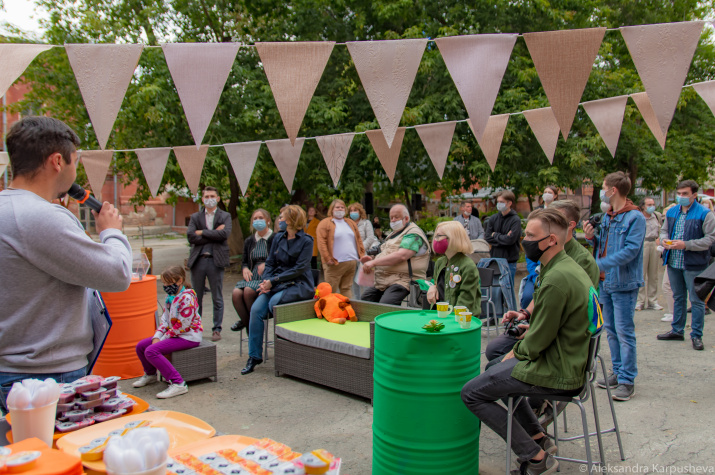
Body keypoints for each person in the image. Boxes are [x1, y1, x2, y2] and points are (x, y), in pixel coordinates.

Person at [0, 116, 132, 414]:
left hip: (14, 368)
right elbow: (118, 273)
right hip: (48, 374)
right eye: (76, 160)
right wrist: (111, 231)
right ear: (58, 161)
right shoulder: (41, 217)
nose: (77, 170)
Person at [461, 208, 592, 474]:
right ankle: (537, 436)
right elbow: (553, 324)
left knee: (471, 393)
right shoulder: (563, 267)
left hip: (559, 368)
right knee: (494, 366)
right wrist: (527, 328)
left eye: (531, 236)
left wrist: (517, 352)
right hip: (567, 357)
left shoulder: (557, 278)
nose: (525, 241)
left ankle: (535, 458)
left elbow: (537, 342)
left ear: (551, 240)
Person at [486, 200, 599, 369]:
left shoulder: (581, 261)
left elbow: (579, 312)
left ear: (570, 225)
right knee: (494, 350)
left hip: (560, 339)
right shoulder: (548, 253)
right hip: (541, 326)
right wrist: (525, 313)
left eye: (555, 217)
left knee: (494, 369)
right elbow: (541, 292)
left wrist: (535, 331)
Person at [584, 171, 645, 401]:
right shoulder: (608, 216)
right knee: (610, 330)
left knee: (624, 331)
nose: (602, 191)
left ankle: (627, 380)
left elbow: (630, 250)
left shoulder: (634, 218)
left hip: (623, 282)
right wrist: (591, 238)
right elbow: (605, 245)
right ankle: (617, 372)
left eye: (603, 187)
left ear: (613, 190)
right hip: (605, 282)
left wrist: (600, 264)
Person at [242, 205, 314, 375]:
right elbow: (270, 263)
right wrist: (266, 281)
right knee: (256, 310)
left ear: (291, 220)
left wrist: (272, 281)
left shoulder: (307, 241)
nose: (279, 220)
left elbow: (299, 269)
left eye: (282, 217)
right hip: (275, 283)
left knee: (273, 303)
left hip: (297, 284)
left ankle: (285, 355)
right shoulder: (278, 237)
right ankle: (254, 356)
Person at [657, 180, 715, 351]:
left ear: (694, 195)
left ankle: (696, 335)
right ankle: (677, 330)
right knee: (678, 297)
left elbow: (710, 240)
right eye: (679, 193)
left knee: (696, 300)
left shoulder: (705, 213)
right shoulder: (672, 211)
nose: (681, 196)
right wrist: (664, 240)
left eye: (685, 194)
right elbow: (664, 230)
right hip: (673, 261)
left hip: (695, 264)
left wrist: (686, 245)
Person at [132, 266, 202, 399]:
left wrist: (162, 338)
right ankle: (151, 374)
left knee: (151, 351)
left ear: (179, 280)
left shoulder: (187, 298)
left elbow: (183, 325)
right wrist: (157, 336)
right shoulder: (170, 297)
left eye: (168, 283)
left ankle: (178, 383)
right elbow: (165, 319)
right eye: (164, 283)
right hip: (175, 334)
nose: (166, 287)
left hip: (188, 336)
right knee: (141, 346)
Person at [360, 204, 430, 305]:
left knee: (386, 305)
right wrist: (370, 258)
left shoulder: (413, 234)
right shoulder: (394, 234)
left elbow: (402, 256)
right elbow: (382, 250)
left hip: (403, 279)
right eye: (391, 218)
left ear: (406, 218)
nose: (393, 220)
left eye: (396, 217)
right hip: (384, 279)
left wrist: (374, 263)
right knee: (364, 302)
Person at [187, 186, 232, 342]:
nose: (209, 199)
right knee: (196, 297)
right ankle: (196, 328)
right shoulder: (195, 217)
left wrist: (202, 232)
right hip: (198, 260)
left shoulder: (225, 216)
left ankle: (217, 329)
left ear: (218, 198)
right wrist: (214, 233)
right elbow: (191, 236)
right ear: (202, 199)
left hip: (216, 260)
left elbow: (224, 234)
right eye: (206, 196)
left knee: (217, 297)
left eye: (212, 196)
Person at [231, 209, 274, 333]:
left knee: (248, 291)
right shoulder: (249, 240)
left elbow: (279, 258)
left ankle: (253, 328)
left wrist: (267, 264)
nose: (257, 221)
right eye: (255, 218)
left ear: (268, 221)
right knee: (236, 293)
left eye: (261, 218)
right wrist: (244, 268)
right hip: (252, 276)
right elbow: (244, 261)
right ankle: (251, 329)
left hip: (267, 276)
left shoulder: (275, 238)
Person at [425, 221, 481, 313]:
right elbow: (436, 283)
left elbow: (465, 300)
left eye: (439, 236)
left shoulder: (467, 266)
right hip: (440, 314)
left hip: (459, 318)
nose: (435, 240)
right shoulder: (440, 262)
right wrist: (432, 287)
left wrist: (452, 318)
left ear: (452, 238)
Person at [316, 199, 365, 298]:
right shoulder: (325, 223)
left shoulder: (350, 222)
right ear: (332, 209)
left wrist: (362, 254)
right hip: (334, 263)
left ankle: (347, 307)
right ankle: (329, 307)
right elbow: (321, 242)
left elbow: (358, 239)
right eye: (337, 207)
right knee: (330, 290)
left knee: (346, 288)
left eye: (342, 207)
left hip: (351, 261)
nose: (340, 209)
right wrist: (327, 258)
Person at [485, 190, 522, 286]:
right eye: (498, 202)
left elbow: (511, 240)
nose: (499, 204)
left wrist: (495, 235)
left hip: (509, 261)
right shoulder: (493, 218)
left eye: (502, 202)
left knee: (507, 289)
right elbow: (487, 237)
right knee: (495, 289)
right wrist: (504, 238)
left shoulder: (515, 220)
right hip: (495, 260)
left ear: (509, 203)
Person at [636, 197, 663, 311]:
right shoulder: (638, 216)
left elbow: (661, 229)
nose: (652, 206)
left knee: (653, 274)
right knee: (641, 274)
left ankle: (653, 300)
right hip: (643, 244)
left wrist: (660, 239)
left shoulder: (656, 216)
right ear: (643, 206)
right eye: (649, 204)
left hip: (654, 244)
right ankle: (640, 301)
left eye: (653, 204)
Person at [349, 202, 378, 299]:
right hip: (351, 256)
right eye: (351, 211)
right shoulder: (348, 224)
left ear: (360, 211)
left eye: (355, 210)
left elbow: (370, 238)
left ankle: (366, 301)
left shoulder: (366, 223)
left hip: (363, 255)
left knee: (365, 279)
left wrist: (359, 249)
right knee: (354, 281)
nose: (353, 212)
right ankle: (357, 301)